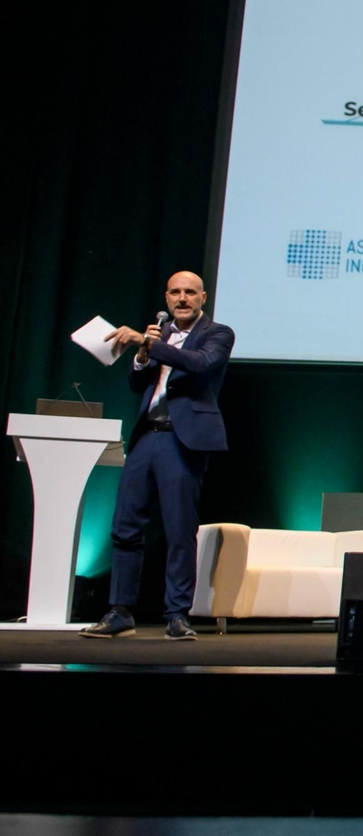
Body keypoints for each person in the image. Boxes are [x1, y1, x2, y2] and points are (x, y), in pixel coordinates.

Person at [82, 271, 235, 640]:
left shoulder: (218, 333)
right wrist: (140, 354)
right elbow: (139, 383)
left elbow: (199, 364)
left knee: (179, 528)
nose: (182, 298)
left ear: (203, 297)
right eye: (175, 293)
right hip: (146, 435)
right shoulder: (159, 335)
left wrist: (151, 345)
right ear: (167, 297)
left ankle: (177, 615)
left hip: (182, 440)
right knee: (125, 525)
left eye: (190, 293)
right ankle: (120, 611)